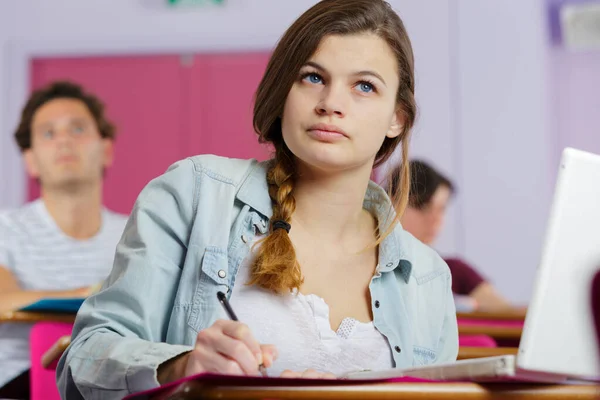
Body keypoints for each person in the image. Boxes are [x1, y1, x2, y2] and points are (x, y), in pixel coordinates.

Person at [57, 1, 458, 398]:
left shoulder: (427, 278)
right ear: (283, 92)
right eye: (312, 77)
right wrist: (181, 366)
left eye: (364, 86)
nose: (331, 103)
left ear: (397, 118)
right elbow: (84, 358)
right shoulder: (194, 195)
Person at [0, 81, 128, 398]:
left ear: (106, 149)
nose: (64, 141)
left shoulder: (134, 233)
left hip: (112, 383)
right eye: (48, 133)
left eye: (78, 129)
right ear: (30, 159)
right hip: (19, 386)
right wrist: (89, 293)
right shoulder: (5, 228)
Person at [388, 159, 514, 311]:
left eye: (441, 209)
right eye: (423, 206)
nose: (435, 220)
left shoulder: (455, 270)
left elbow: (510, 318)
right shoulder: (372, 267)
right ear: (391, 202)